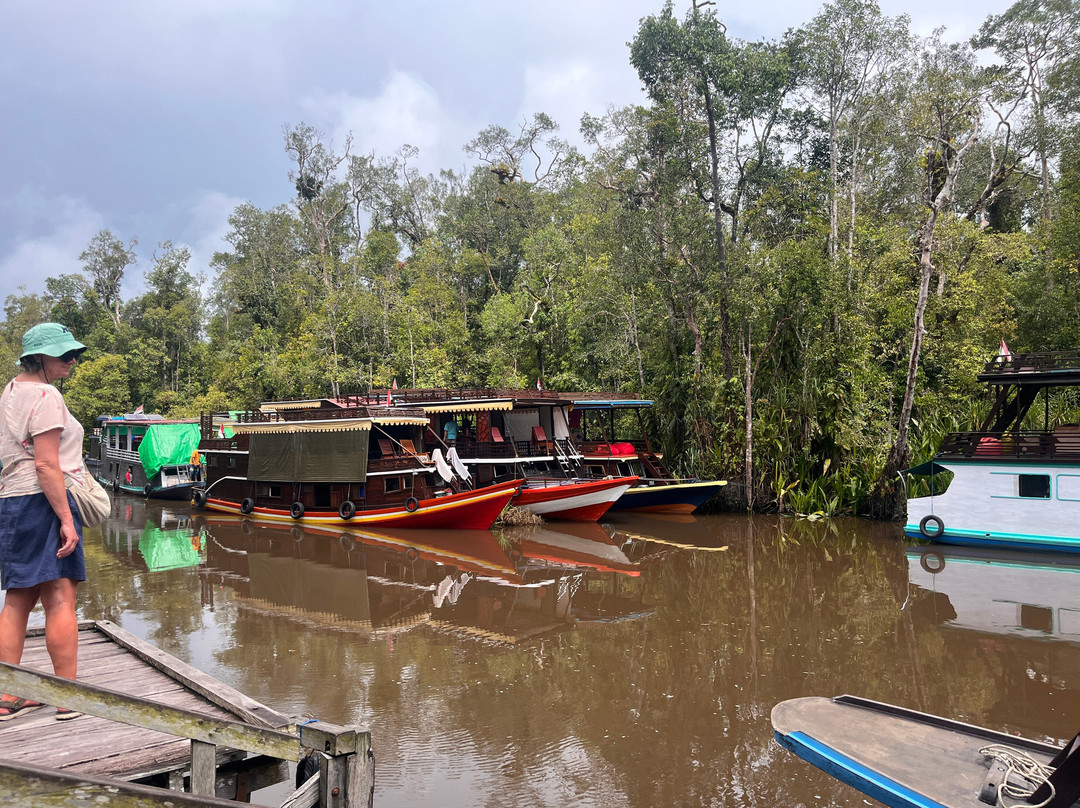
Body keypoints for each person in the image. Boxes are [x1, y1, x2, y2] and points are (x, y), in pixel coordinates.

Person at [0, 323, 88, 721]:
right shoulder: (46, 395)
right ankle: (68, 699)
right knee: (59, 598)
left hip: (12, 502)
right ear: (38, 357)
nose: (72, 360)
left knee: (17, 600)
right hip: (44, 502)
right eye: (63, 354)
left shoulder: (10, 392)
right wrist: (66, 520)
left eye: (74, 354)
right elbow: (46, 464)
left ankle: (7, 696)